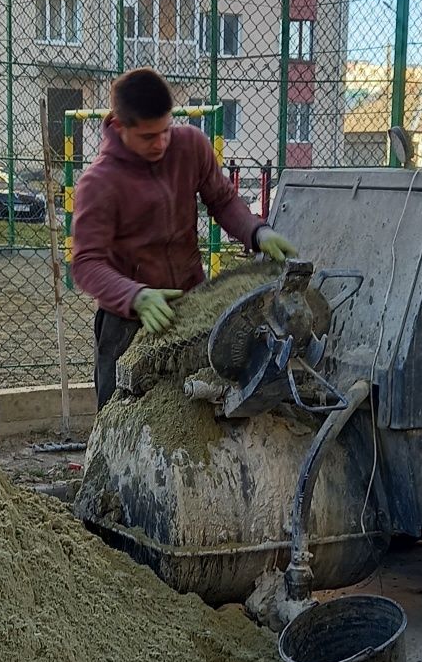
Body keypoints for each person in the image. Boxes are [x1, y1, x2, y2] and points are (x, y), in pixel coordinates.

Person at [70, 68, 299, 408]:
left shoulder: (190, 145)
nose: (161, 143)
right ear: (120, 127)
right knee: (119, 414)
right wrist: (136, 296)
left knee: (194, 410)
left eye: (165, 130)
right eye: (149, 136)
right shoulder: (99, 182)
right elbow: (87, 263)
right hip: (127, 321)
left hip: (193, 306)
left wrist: (257, 231)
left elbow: (222, 200)